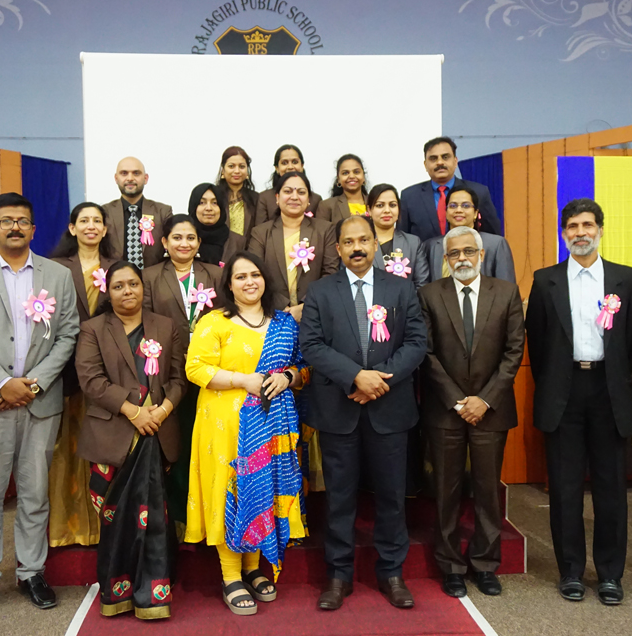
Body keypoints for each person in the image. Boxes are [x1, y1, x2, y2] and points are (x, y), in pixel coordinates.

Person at [0, 192, 80, 619]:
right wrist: (4, 384)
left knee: (34, 493)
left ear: (33, 229)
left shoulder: (57, 275)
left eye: (23, 221)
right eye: (6, 221)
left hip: (39, 403)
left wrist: (34, 385)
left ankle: (31, 572)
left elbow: (67, 336)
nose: (15, 228)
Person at [300, 216, 428, 611]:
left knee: (391, 497)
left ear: (376, 245)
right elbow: (312, 345)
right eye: (348, 241)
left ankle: (392, 572)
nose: (356, 247)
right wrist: (356, 376)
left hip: (389, 409)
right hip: (339, 409)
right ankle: (338, 575)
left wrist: (378, 381)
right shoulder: (320, 291)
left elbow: (417, 341)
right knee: (340, 498)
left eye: (364, 240)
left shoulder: (402, 288)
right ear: (336, 249)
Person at [525, 198, 632, 606]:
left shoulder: (627, 279)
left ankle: (610, 575)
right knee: (565, 489)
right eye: (572, 226)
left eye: (587, 225)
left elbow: (630, 344)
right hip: (564, 393)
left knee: (611, 490)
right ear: (563, 233)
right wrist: (559, 382)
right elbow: (537, 346)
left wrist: (607, 375)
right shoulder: (545, 280)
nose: (580, 233)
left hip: (609, 391)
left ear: (601, 230)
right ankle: (570, 571)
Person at [185, 252, 308, 616]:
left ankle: (253, 568)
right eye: (240, 277)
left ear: (265, 279)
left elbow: (303, 368)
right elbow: (195, 368)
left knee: (263, 488)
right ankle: (230, 574)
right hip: (226, 423)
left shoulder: (284, 323)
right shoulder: (215, 322)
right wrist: (243, 381)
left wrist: (287, 378)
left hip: (274, 421)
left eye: (255, 274)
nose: (249, 282)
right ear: (229, 285)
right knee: (232, 488)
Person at [417, 226, 524, 599]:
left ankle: (484, 563)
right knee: (446, 491)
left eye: (468, 251)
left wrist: (485, 399)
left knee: (486, 490)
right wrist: (458, 400)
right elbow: (425, 352)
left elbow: (514, 352)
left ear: (481, 255)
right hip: (445, 410)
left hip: (491, 410)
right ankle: (451, 567)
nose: (461, 258)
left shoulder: (506, 292)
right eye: (454, 254)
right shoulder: (429, 295)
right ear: (445, 260)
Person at [75, 261, 185, 619]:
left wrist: (162, 410)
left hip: (158, 431)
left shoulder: (165, 326)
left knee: (154, 519)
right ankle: (116, 593)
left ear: (143, 288)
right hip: (113, 437)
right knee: (116, 520)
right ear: (108, 291)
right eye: (119, 285)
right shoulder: (93, 329)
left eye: (133, 284)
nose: (128, 291)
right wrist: (134, 411)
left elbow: (179, 377)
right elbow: (91, 381)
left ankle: (154, 595)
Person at [141, 214, 222, 527]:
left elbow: (226, 318)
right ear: (164, 242)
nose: (184, 243)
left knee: (207, 441)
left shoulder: (214, 274)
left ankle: (210, 513)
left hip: (211, 370)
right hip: (167, 369)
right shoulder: (149, 277)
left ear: (199, 243)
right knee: (177, 442)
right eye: (177, 237)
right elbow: (146, 323)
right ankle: (179, 518)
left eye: (190, 238)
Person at [47, 202, 118, 548]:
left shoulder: (115, 268)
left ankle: (104, 526)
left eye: (97, 221)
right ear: (72, 228)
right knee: (66, 447)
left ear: (105, 229)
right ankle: (69, 527)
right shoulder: (54, 268)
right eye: (84, 221)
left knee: (103, 446)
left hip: (106, 370)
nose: (91, 226)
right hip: (63, 370)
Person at [248, 171, 340, 320]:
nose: (294, 197)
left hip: (316, 314)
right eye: (288, 191)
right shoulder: (260, 233)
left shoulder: (325, 230)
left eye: (301, 192)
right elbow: (255, 274)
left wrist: (305, 306)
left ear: (309, 199)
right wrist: (283, 307)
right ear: (277, 198)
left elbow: (330, 272)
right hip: (272, 314)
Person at [399, 137, 501, 241]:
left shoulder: (479, 192)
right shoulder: (409, 196)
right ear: (425, 165)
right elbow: (402, 240)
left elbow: (493, 236)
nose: (440, 162)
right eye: (433, 158)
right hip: (425, 256)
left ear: (455, 161)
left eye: (445, 157)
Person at [423, 186, 515, 284]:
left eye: (466, 206)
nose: (458, 210)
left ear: (476, 213)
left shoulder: (496, 245)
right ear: (446, 212)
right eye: (453, 206)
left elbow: (507, 289)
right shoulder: (431, 246)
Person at [102, 156, 173, 269]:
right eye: (124, 173)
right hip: (115, 280)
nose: (130, 178)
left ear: (145, 178)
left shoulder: (163, 211)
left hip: (154, 281)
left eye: (136, 173)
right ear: (116, 178)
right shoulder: (104, 212)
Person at [367, 183, 429, 289]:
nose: (387, 210)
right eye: (380, 205)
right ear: (369, 210)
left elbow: (422, 284)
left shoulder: (413, 243)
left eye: (392, 205)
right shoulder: (361, 244)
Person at [254, 144, 323, 223]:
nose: (290, 167)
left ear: (302, 166)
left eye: (294, 162)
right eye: (284, 163)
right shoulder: (265, 198)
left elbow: (320, 231)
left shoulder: (316, 199)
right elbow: (260, 231)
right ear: (277, 168)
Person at [188, 183, 245, 267]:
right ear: (193, 207)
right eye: (202, 202)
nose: (208, 208)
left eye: (214, 203)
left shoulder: (238, 241)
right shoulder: (184, 239)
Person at [213, 146, 259, 238]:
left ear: (247, 172)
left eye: (242, 166)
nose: (237, 171)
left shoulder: (256, 199)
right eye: (231, 166)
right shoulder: (214, 197)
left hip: (248, 250)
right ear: (223, 170)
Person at [317, 154, 371, 224]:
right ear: (338, 179)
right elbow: (321, 233)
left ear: (363, 176)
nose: (351, 176)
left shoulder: (374, 203)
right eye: (345, 173)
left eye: (356, 172)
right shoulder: (327, 206)